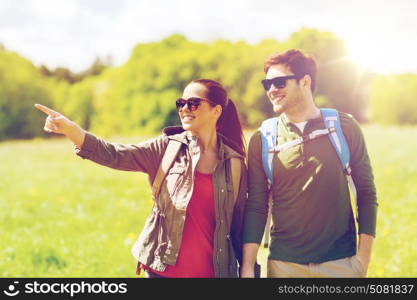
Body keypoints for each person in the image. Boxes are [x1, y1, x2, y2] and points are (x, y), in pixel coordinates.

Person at [35, 78, 247, 278]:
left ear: (216, 111)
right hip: (162, 273)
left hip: (214, 274)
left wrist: (248, 270)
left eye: (193, 103)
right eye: (181, 103)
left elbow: (239, 227)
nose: (183, 109)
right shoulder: (167, 147)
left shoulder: (235, 163)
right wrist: (72, 130)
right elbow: (115, 154)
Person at [241, 49, 378, 278]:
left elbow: (366, 193)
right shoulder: (262, 139)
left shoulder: (344, 127)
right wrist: (247, 265)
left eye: (279, 82)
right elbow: (256, 205)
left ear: (305, 81)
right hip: (283, 266)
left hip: (340, 264)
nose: (272, 90)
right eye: (267, 84)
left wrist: (362, 260)